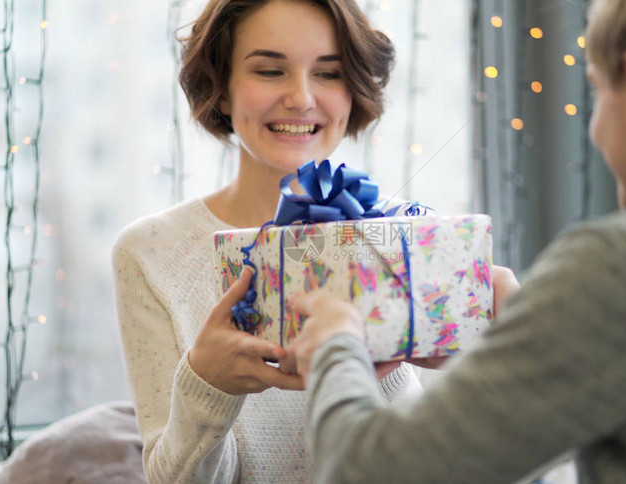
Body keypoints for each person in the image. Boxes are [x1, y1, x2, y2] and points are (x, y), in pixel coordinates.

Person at [279, 0, 626, 482]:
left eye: (599, 93)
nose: (597, 131)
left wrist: (334, 342)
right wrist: (527, 341)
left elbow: (365, 472)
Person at [111, 0, 423, 482]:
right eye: (270, 71)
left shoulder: (399, 233)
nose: (301, 98)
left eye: (328, 73)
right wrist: (208, 387)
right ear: (221, 90)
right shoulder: (150, 252)